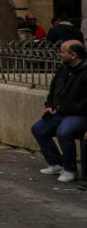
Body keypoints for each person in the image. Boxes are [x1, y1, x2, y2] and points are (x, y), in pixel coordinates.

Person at [31, 40, 87, 183]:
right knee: (39, 128)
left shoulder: (84, 72)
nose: (60, 54)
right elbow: (54, 88)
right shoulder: (64, 69)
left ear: (73, 55)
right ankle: (56, 163)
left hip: (79, 114)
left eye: (62, 52)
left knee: (64, 132)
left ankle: (70, 169)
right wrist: (49, 105)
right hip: (61, 112)